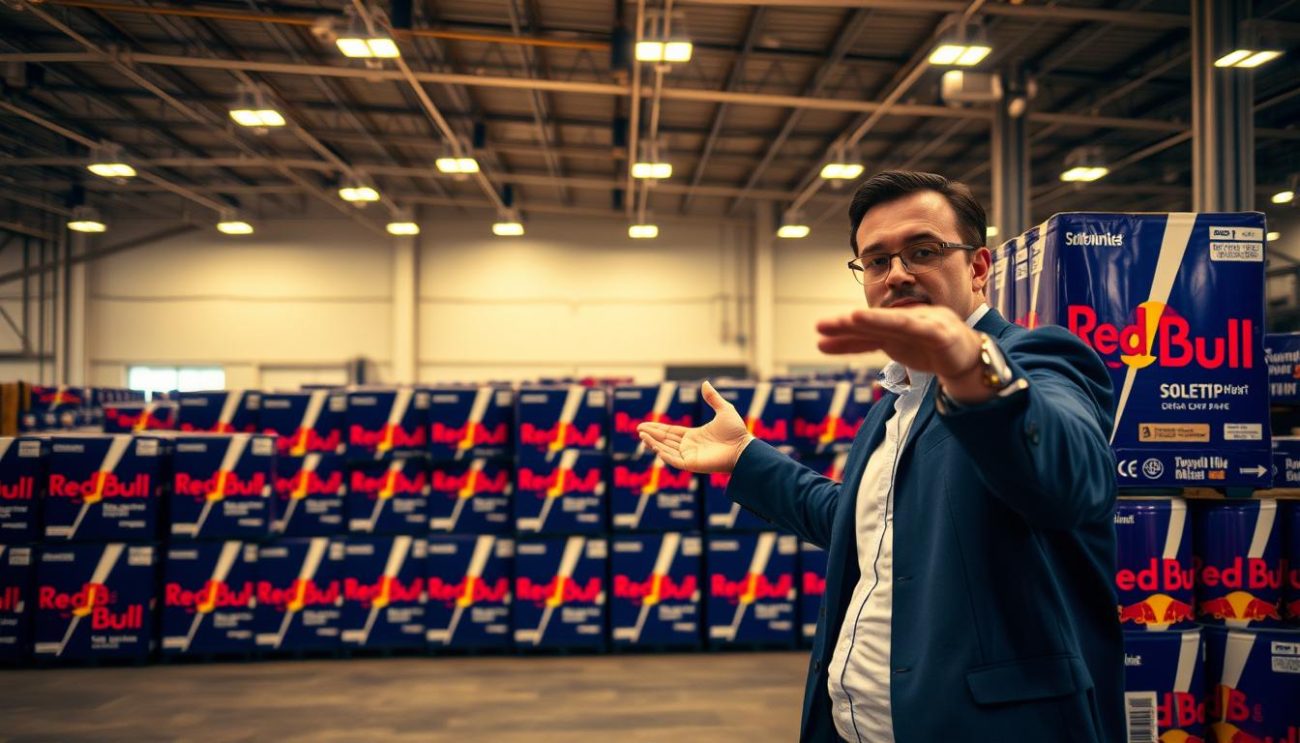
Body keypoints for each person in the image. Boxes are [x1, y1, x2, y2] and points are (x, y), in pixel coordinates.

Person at [638, 171, 1122, 743]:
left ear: (978, 267)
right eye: (875, 261)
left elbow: (1073, 479)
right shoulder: (893, 404)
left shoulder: (1038, 359)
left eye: (923, 251)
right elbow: (864, 523)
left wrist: (973, 370)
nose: (897, 273)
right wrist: (745, 457)